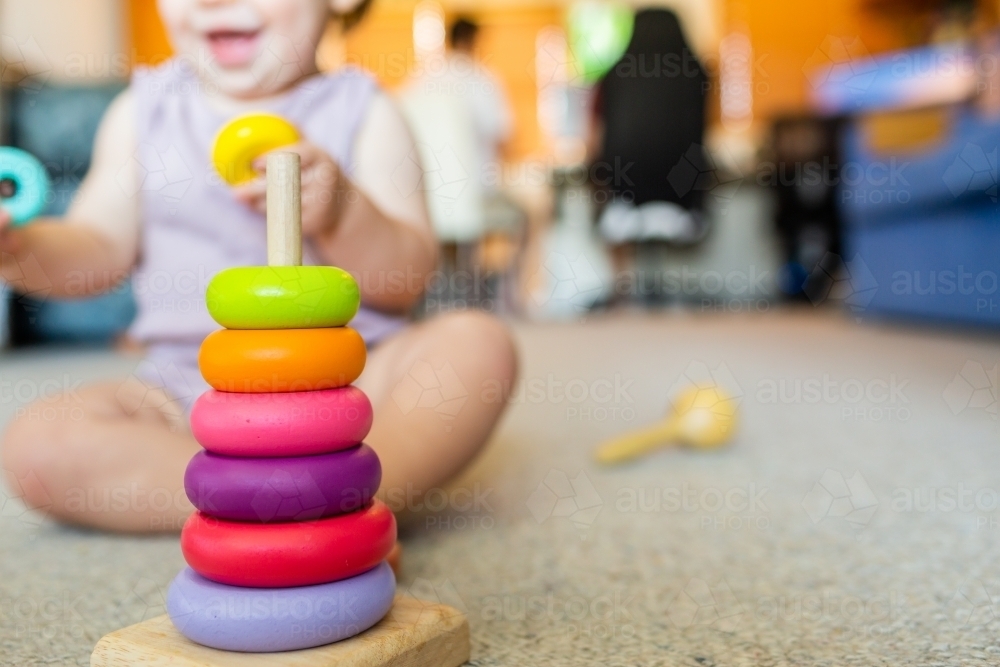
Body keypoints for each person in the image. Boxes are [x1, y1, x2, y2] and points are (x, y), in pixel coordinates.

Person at [0, 0, 517, 532]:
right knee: (38, 445)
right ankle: (253, 505)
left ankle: (360, 499)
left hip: (351, 386)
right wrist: (17, 249)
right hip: (190, 394)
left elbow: (404, 281)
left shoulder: (366, 112)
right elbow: (95, 249)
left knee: (478, 347)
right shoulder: (141, 113)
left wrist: (343, 212)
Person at [590, 8, 708, 245]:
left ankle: (624, 281)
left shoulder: (613, 77)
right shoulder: (697, 76)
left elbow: (597, 141)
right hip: (684, 212)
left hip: (624, 211)